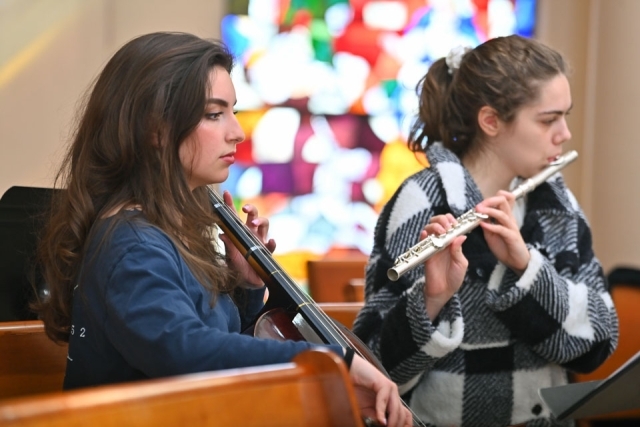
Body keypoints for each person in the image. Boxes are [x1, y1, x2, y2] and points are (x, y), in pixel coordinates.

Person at [33, 31, 413, 427]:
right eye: (215, 114)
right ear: (155, 129)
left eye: (233, 111)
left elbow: (221, 342)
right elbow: (187, 353)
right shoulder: (132, 245)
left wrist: (244, 285)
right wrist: (334, 360)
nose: (237, 132)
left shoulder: (169, 230)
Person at [352, 35, 619, 427]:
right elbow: (378, 369)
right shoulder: (423, 200)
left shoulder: (556, 203)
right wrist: (431, 300)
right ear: (491, 121)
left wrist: (527, 268)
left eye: (565, 116)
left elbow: (597, 342)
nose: (565, 134)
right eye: (548, 119)